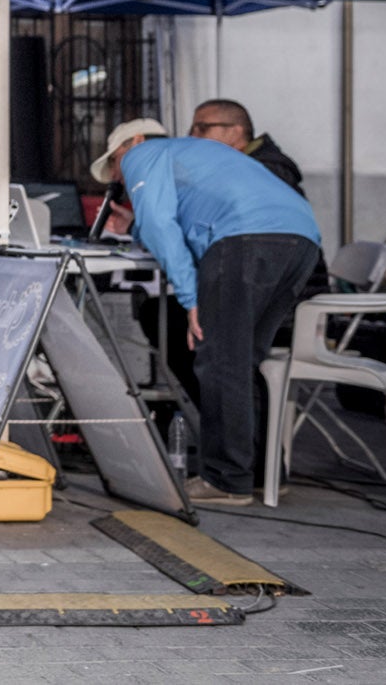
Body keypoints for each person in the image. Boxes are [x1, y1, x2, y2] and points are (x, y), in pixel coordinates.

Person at [94, 118, 322, 507]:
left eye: (114, 163)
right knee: (242, 360)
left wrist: (191, 298)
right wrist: (136, 225)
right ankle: (264, 473)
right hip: (300, 240)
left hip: (245, 240)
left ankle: (226, 480)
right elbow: (185, 217)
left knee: (219, 360)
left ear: (132, 141)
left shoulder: (143, 154)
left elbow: (161, 226)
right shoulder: (197, 154)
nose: (117, 176)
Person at [190, 98, 304, 194]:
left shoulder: (266, 173)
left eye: (202, 128)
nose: (193, 136)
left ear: (234, 132)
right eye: (191, 130)